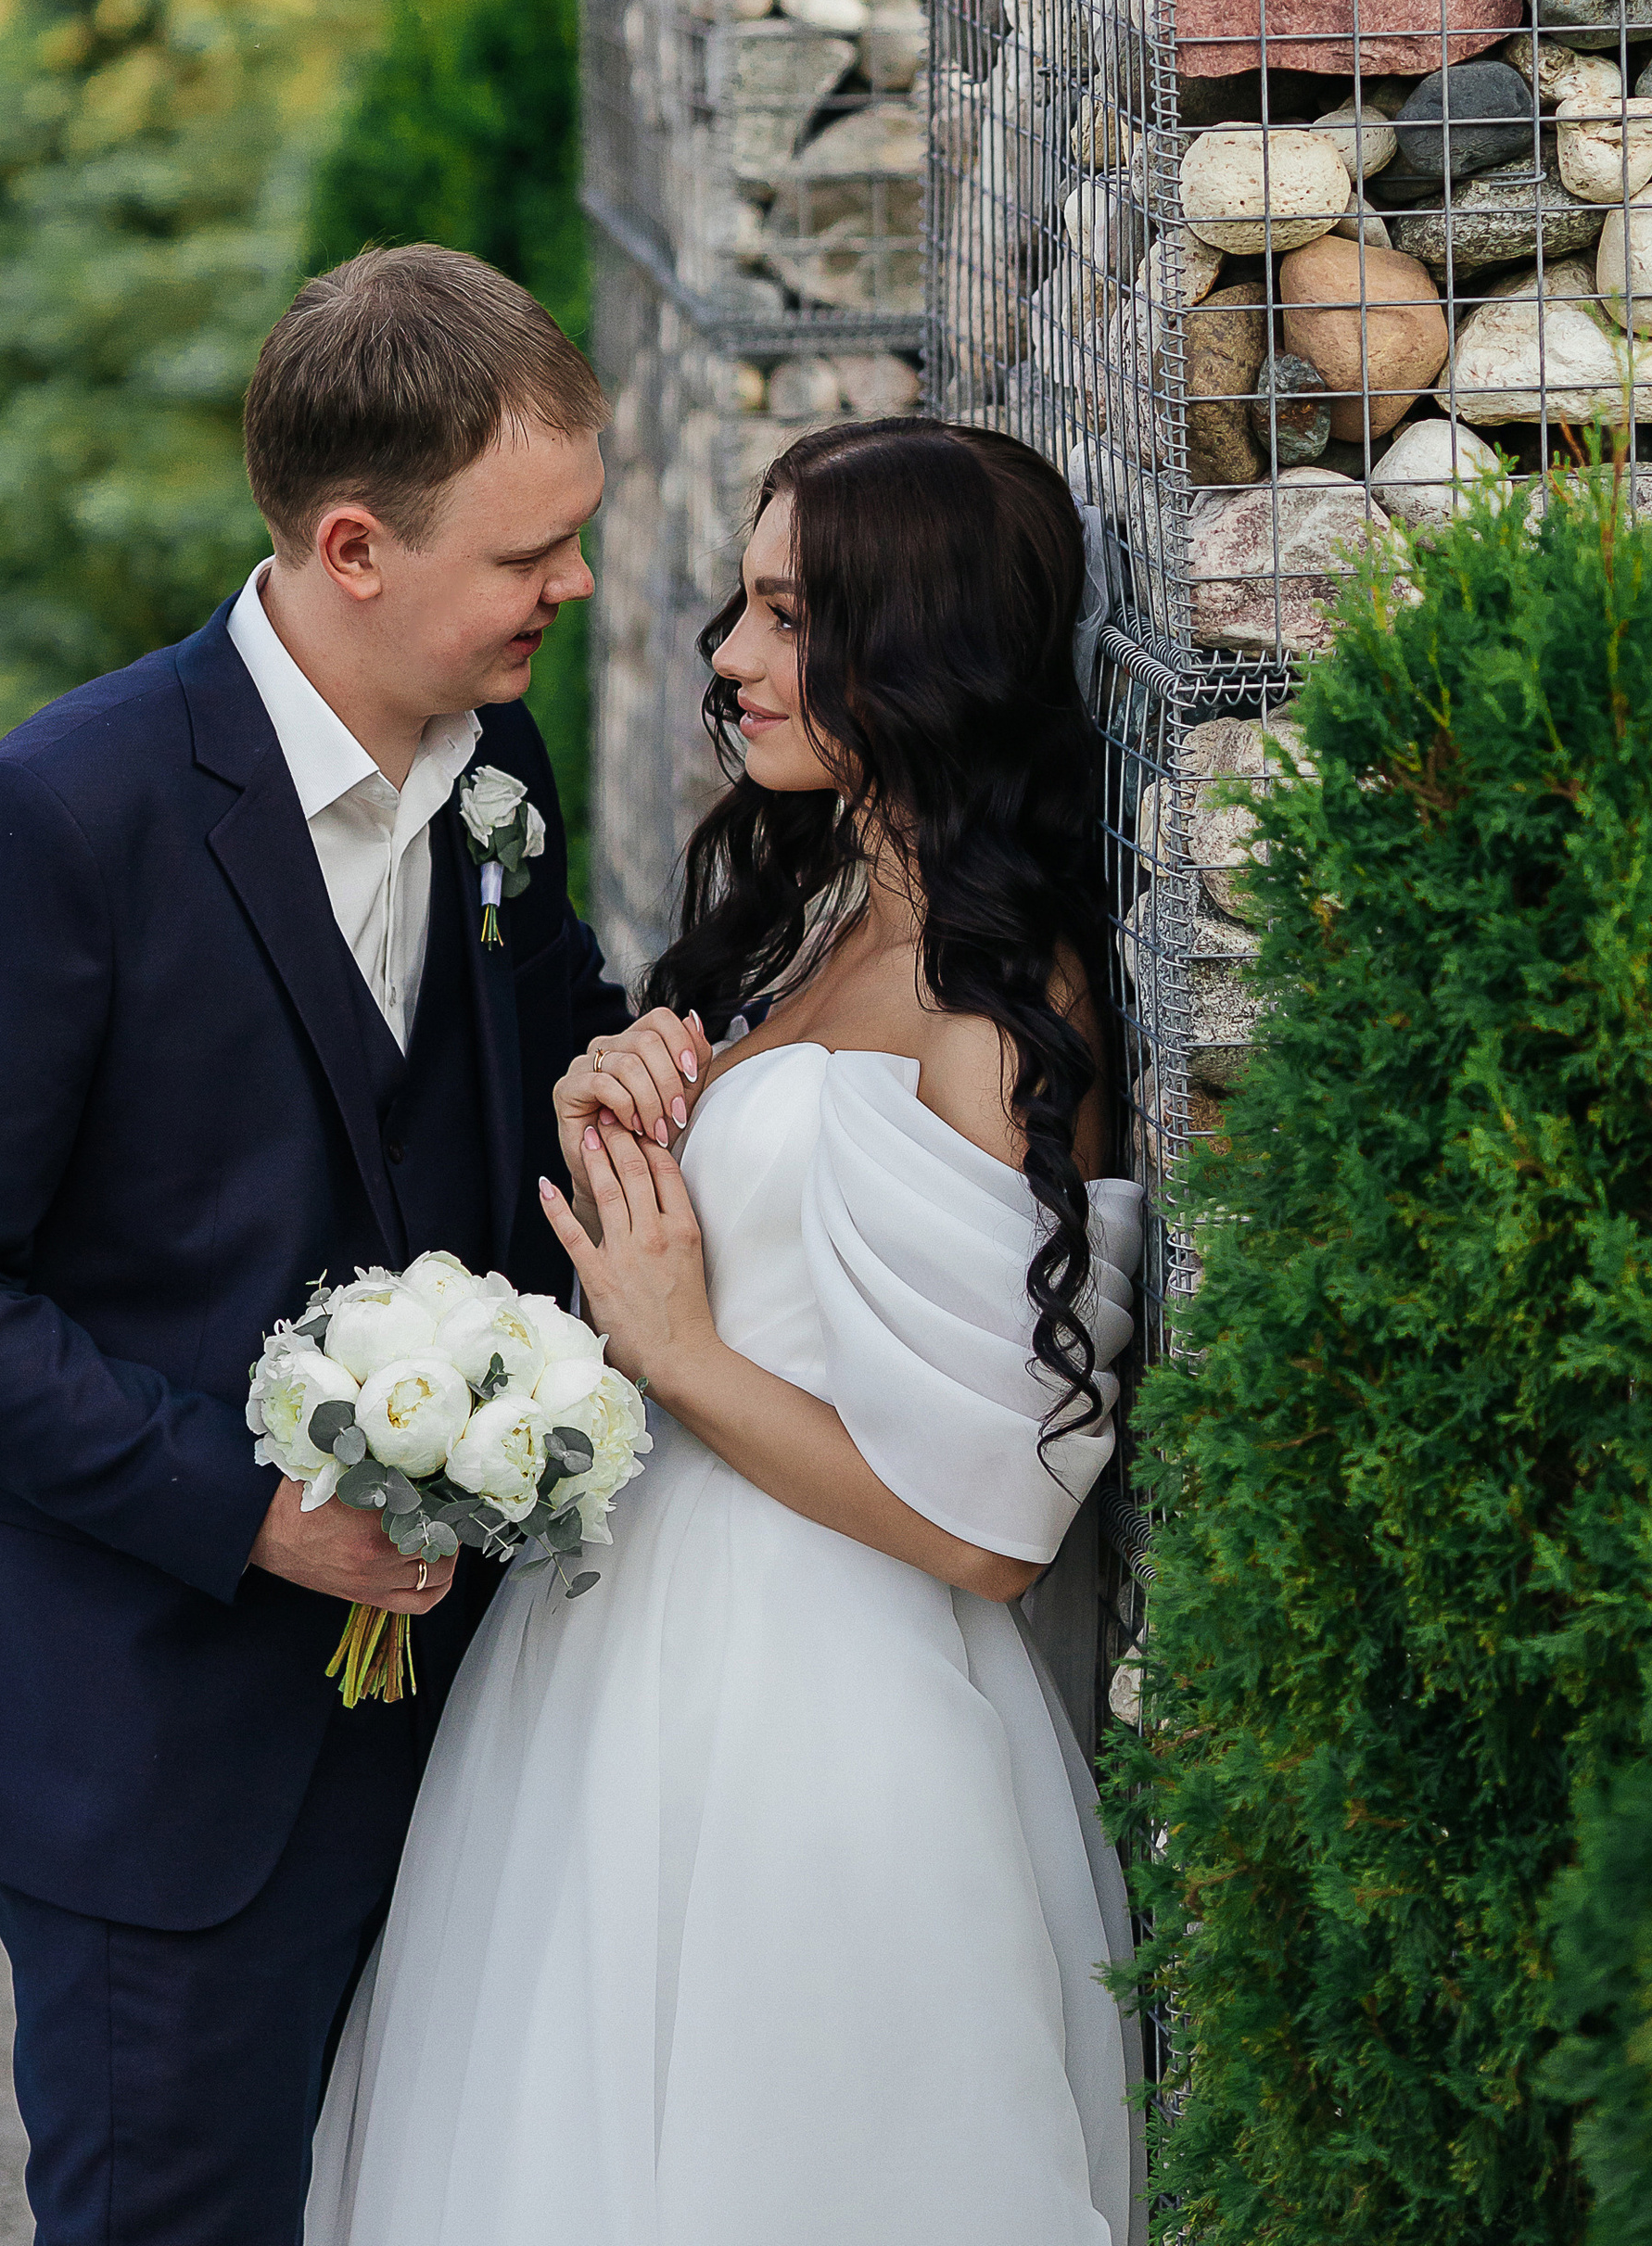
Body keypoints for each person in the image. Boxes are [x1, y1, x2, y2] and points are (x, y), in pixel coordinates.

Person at [0, 245, 630, 2246]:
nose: (579, 585)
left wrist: (634, 1070)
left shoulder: (498, 771)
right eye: (531, 552)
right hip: (149, 1728)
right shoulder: (50, 820)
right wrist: (257, 1511)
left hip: (450, 1714)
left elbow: (510, 1086)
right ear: (353, 547)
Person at [306, 415, 1149, 2246]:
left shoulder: (996, 1001)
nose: (732, 655)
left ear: (921, 645)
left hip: (820, 1711)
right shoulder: (821, 914)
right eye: (745, 607)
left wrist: (674, 1351)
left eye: (789, 616)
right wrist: (614, 1114)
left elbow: (990, 1533)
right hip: (618, 1665)